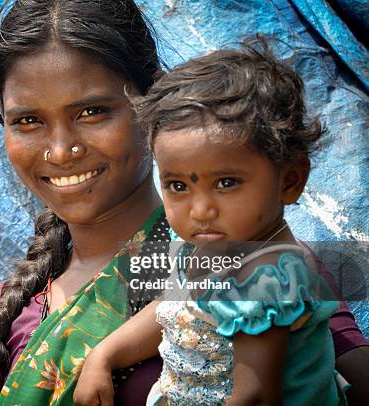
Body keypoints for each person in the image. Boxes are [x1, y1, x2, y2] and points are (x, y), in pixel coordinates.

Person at [0, 1, 369, 405]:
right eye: (28, 121)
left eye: (92, 111)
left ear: (151, 104)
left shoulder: (258, 256)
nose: (61, 151)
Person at [73, 39, 362, 406]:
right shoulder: (211, 247)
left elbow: (255, 396)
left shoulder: (266, 278)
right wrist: (104, 356)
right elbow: (174, 307)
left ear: (289, 181)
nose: (200, 209)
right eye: (177, 185)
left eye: (226, 183)